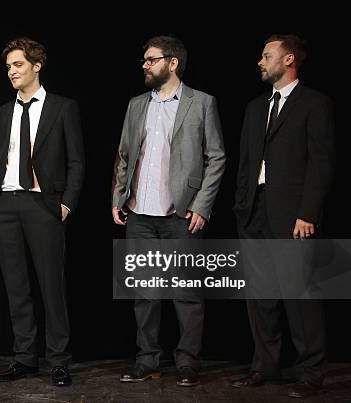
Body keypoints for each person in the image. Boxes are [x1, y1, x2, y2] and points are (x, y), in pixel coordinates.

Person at [111, 36, 225, 386]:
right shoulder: (135, 105)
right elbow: (124, 154)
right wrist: (118, 197)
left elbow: (216, 157)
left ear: (172, 63)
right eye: (144, 60)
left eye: (151, 60)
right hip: (140, 214)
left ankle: (187, 361)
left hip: (180, 214)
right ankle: (147, 359)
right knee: (145, 293)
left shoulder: (201, 103)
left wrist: (202, 205)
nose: (144, 65)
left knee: (185, 292)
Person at [231, 34, 335, 398]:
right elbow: (246, 163)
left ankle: (311, 372)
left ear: (288, 59)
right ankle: (265, 366)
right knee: (260, 295)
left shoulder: (314, 103)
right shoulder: (254, 108)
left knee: (299, 294)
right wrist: (241, 204)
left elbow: (321, 163)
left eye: (266, 55)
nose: (260, 62)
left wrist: (308, 213)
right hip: (254, 210)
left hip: (292, 215)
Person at [0, 37, 85, 387]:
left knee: (51, 286)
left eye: (18, 65)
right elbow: (0, 158)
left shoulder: (62, 107)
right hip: (5, 205)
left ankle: (58, 360)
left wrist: (67, 202)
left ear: (36, 65)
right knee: (16, 287)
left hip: (43, 205)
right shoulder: (2, 112)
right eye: (9, 66)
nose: (12, 72)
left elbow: (76, 160)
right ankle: (25, 358)